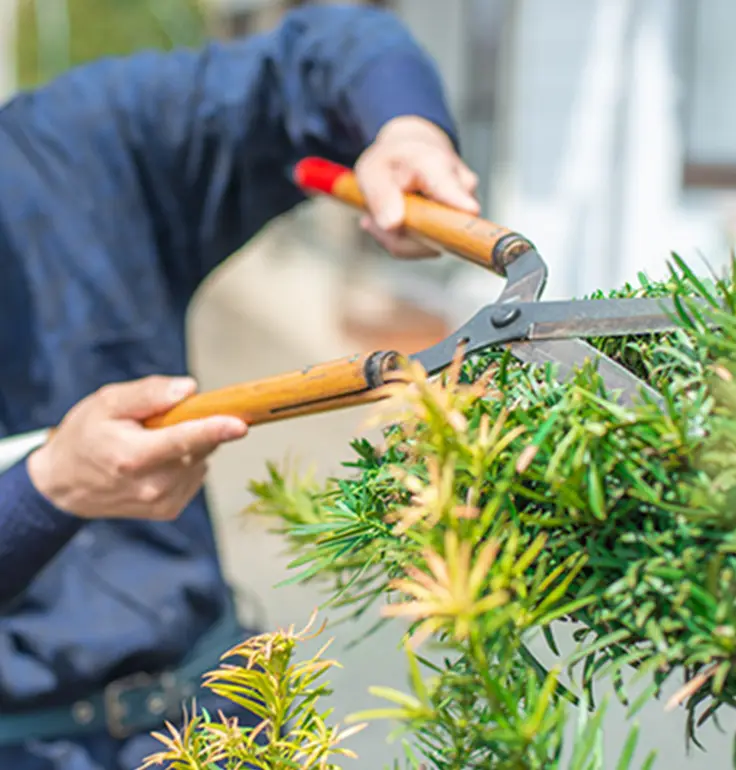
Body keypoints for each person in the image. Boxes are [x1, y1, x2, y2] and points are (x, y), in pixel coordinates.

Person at [0, 3, 480, 768]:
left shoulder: (80, 145)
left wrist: (405, 131)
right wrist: (46, 490)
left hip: (221, 714)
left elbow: (331, 45)